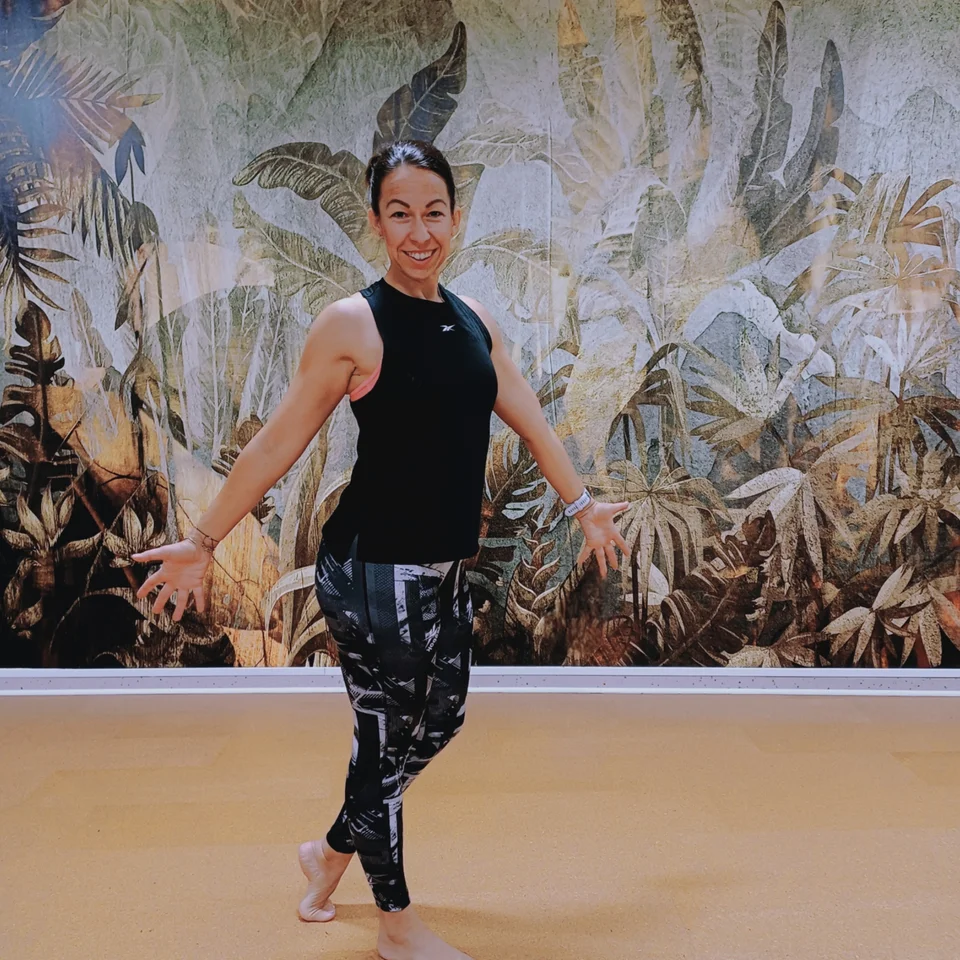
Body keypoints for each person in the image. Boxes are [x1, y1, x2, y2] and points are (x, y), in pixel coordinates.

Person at [132, 139, 629, 960]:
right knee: (384, 737)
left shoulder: (472, 320)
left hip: (443, 567)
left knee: (441, 721)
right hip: (369, 569)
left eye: (434, 212)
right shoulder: (352, 324)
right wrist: (201, 541)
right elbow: (275, 446)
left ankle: (327, 853)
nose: (419, 231)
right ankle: (396, 924)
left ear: (455, 218)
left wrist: (582, 505)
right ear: (376, 222)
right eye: (400, 214)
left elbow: (528, 412)